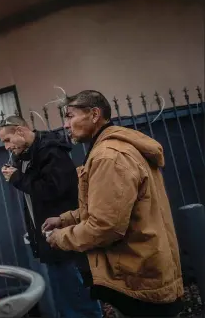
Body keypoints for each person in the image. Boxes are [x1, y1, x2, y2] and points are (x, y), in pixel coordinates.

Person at [43, 90, 184, 318]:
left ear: (94, 114)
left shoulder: (109, 157)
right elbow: (109, 207)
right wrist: (64, 219)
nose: (65, 125)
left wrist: (60, 237)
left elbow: (105, 226)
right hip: (143, 269)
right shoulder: (112, 149)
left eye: (70, 116)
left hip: (138, 281)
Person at [0, 115, 102, 318]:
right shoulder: (29, 154)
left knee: (76, 296)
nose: (6, 147)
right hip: (50, 238)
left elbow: (54, 189)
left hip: (65, 236)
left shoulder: (51, 151)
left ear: (20, 131)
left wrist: (17, 178)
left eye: (7, 140)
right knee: (65, 296)